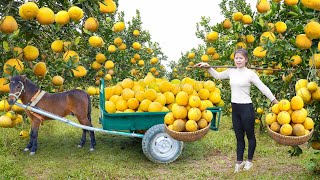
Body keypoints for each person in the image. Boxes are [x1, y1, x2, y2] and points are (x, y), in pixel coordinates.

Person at [195, 49, 278, 173]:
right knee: (239, 137)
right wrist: (208, 67)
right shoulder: (231, 71)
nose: (238, 60)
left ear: (246, 60)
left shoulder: (250, 73)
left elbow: (263, 87)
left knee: (250, 136)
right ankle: (239, 162)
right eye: (236, 58)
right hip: (235, 108)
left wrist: (274, 101)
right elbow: (217, 76)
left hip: (247, 108)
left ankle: (249, 161)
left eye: (240, 58)